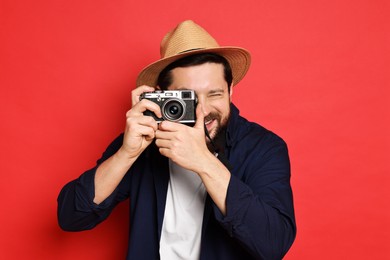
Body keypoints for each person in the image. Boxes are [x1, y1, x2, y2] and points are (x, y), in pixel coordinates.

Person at [57, 20, 296, 260]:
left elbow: (273, 244)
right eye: (189, 97)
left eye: (214, 94)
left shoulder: (264, 148)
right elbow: (71, 216)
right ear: (162, 95)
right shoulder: (144, 139)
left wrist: (204, 162)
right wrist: (125, 155)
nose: (203, 110)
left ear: (231, 90)